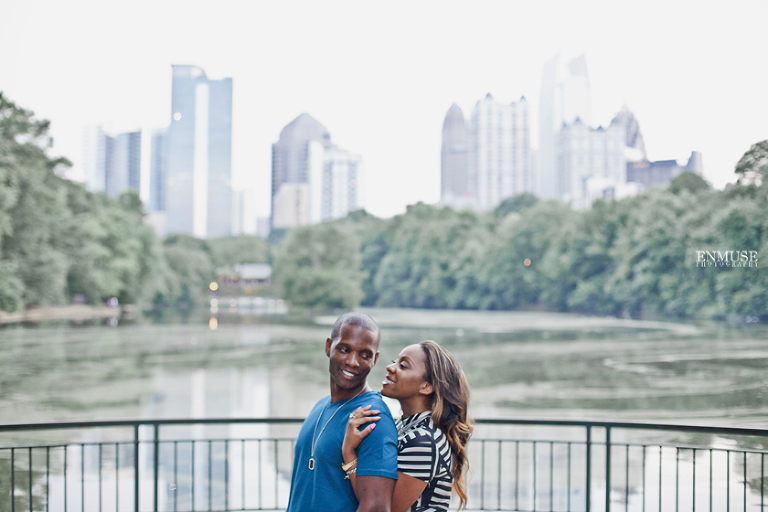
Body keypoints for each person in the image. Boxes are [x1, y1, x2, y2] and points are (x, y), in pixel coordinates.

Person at [286, 312, 399, 512]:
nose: (353, 362)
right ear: (329, 346)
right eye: (345, 349)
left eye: (365, 355)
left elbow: (377, 508)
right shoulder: (320, 406)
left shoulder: (373, 417)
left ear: (375, 359)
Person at [342, 340, 473, 512]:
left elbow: (382, 507)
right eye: (395, 361)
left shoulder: (424, 441)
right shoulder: (404, 426)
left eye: (403, 365)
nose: (391, 367)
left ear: (426, 386)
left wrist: (349, 454)